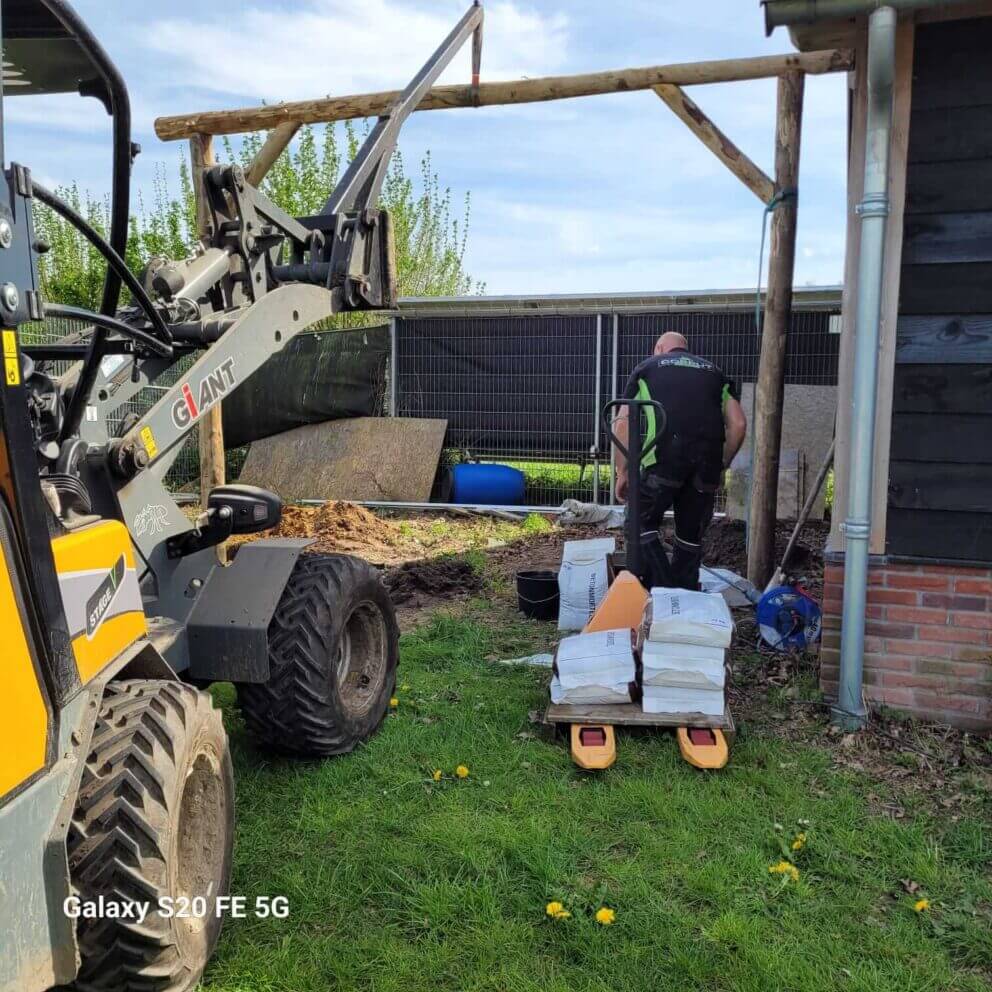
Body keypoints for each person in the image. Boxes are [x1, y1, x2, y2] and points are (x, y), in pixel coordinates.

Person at [613, 331, 747, 590]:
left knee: (638, 523)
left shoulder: (647, 369)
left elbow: (622, 422)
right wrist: (722, 465)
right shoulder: (715, 374)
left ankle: (663, 589)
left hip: (663, 460)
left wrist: (623, 471)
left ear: (659, 348)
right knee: (689, 535)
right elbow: (739, 424)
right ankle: (684, 600)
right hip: (705, 467)